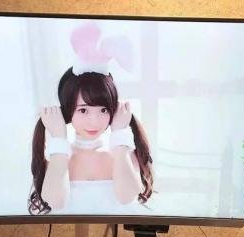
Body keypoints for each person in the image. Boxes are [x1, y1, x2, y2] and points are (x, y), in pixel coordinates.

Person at [28, 23, 153, 215]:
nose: (94, 121)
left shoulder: (123, 154)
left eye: (103, 110)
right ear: (67, 110)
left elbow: (127, 198)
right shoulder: (57, 157)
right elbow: (55, 202)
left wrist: (119, 137)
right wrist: (59, 139)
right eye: (83, 110)